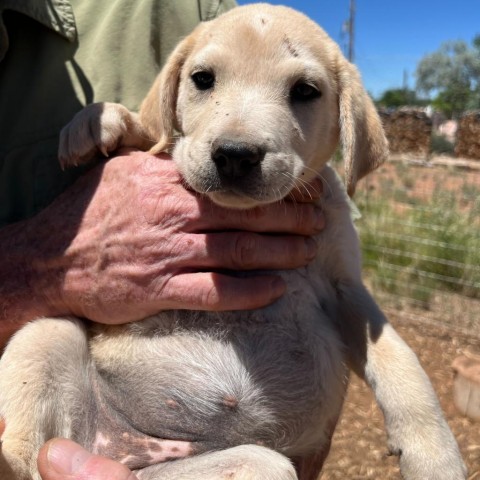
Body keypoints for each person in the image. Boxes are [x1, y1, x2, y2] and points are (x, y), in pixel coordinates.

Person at [0, 1, 324, 479]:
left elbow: (316, 238)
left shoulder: (202, 12)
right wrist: (36, 268)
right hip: (69, 402)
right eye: (205, 81)